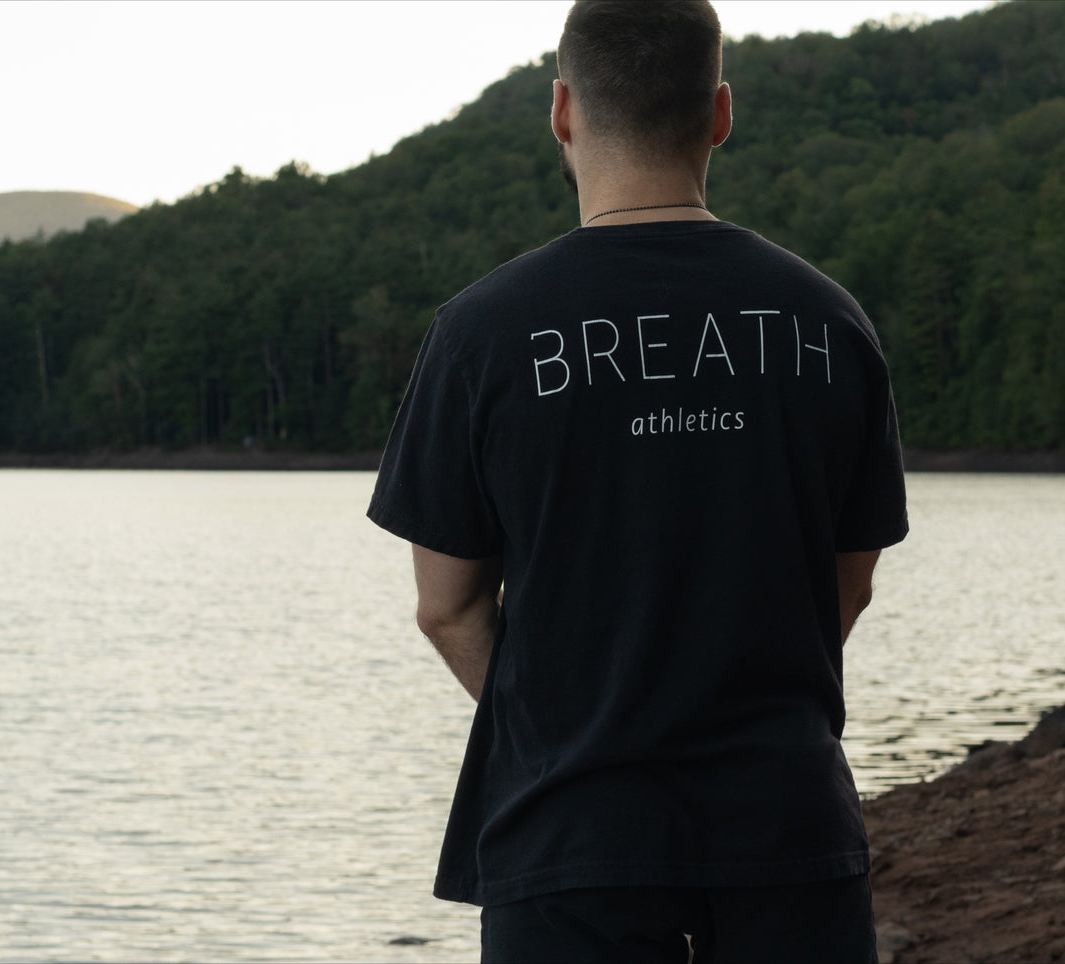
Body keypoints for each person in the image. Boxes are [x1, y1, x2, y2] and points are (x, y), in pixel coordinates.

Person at [367, 1, 907, 960]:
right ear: (720, 112)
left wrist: (571, 723)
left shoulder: (482, 333)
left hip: (569, 833)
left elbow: (447, 609)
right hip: (785, 824)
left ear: (563, 112)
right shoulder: (827, 320)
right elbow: (849, 580)